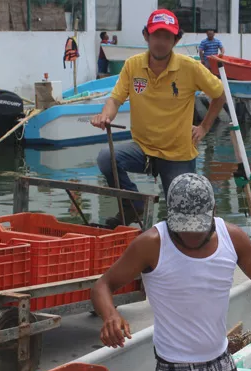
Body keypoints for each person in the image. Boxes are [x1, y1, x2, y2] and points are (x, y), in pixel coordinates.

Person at [91, 174, 251, 371]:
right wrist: (110, 315)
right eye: (184, 228)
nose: (191, 236)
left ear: (213, 211)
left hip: (223, 363)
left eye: (197, 228)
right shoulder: (151, 244)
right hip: (174, 369)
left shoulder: (233, 239)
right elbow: (103, 285)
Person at [91, 9, 227, 228]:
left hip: (178, 153)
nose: (161, 42)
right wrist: (104, 116)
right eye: (156, 36)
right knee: (106, 158)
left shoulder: (190, 67)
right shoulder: (133, 65)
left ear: (176, 40)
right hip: (143, 149)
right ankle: (132, 204)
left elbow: (219, 95)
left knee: (183, 218)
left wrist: (204, 127)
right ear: (147, 36)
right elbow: (115, 100)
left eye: (167, 37)